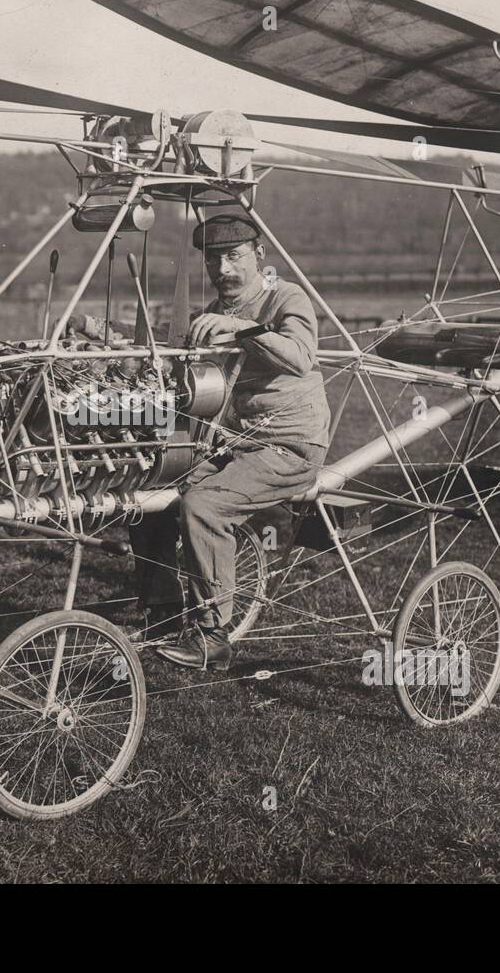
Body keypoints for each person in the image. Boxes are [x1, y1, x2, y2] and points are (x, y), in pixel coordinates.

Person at [129, 213, 330, 671]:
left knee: (204, 505)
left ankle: (212, 635)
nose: (222, 270)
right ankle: (162, 611)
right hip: (235, 443)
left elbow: (301, 358)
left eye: (234, 257)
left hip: (291, 444)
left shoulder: (284, 297)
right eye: (213, 259)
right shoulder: (212, 315)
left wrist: (240, 329)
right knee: (147, 497)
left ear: (259, 256)